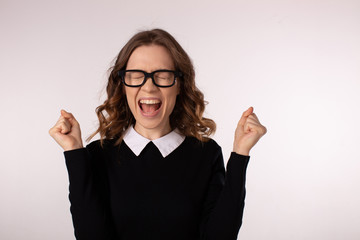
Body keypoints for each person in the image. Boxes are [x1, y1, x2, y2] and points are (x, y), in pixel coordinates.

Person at [49, 29, 267, 240]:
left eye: (162, 76)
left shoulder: (206, 154)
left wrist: (240, 153)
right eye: (136, 76)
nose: (149, 87)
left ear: (179, 85)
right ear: (123, 85)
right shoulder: (97, 155)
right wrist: (74, 152)